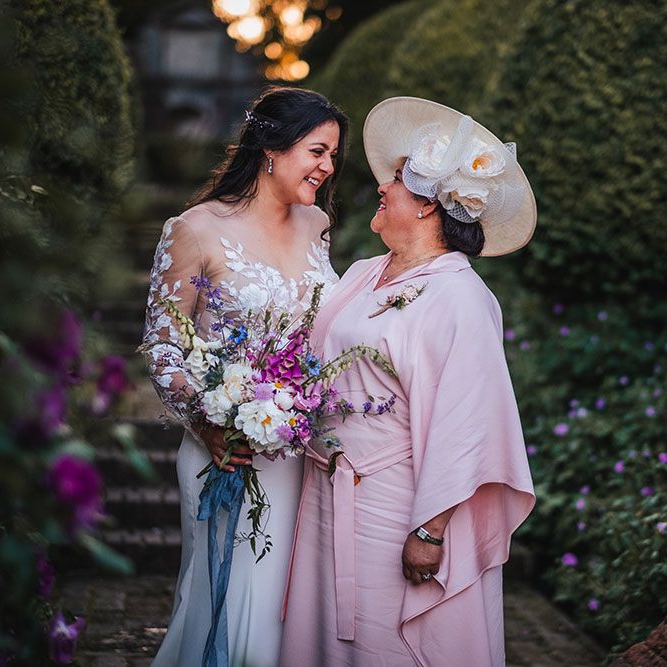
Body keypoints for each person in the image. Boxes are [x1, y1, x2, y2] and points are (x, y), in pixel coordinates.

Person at [280, 97, 537, 666]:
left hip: (394, 506)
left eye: (395, 180)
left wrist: (431, 529)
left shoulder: (462, 299)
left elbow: (467, 422)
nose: (382, 187)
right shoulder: (364, 272)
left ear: (426, 206)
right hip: (323, 490)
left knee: (382, 641)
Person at [141, 86, 348, 667]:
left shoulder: (317, 225)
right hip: (225, 454)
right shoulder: (195, 229)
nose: (327, 167)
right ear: (271, 148)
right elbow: (162, 346)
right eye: (317, 151)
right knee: (224, 606)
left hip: (297, 453)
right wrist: (210, 423)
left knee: (288, 611)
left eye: (333, 155)